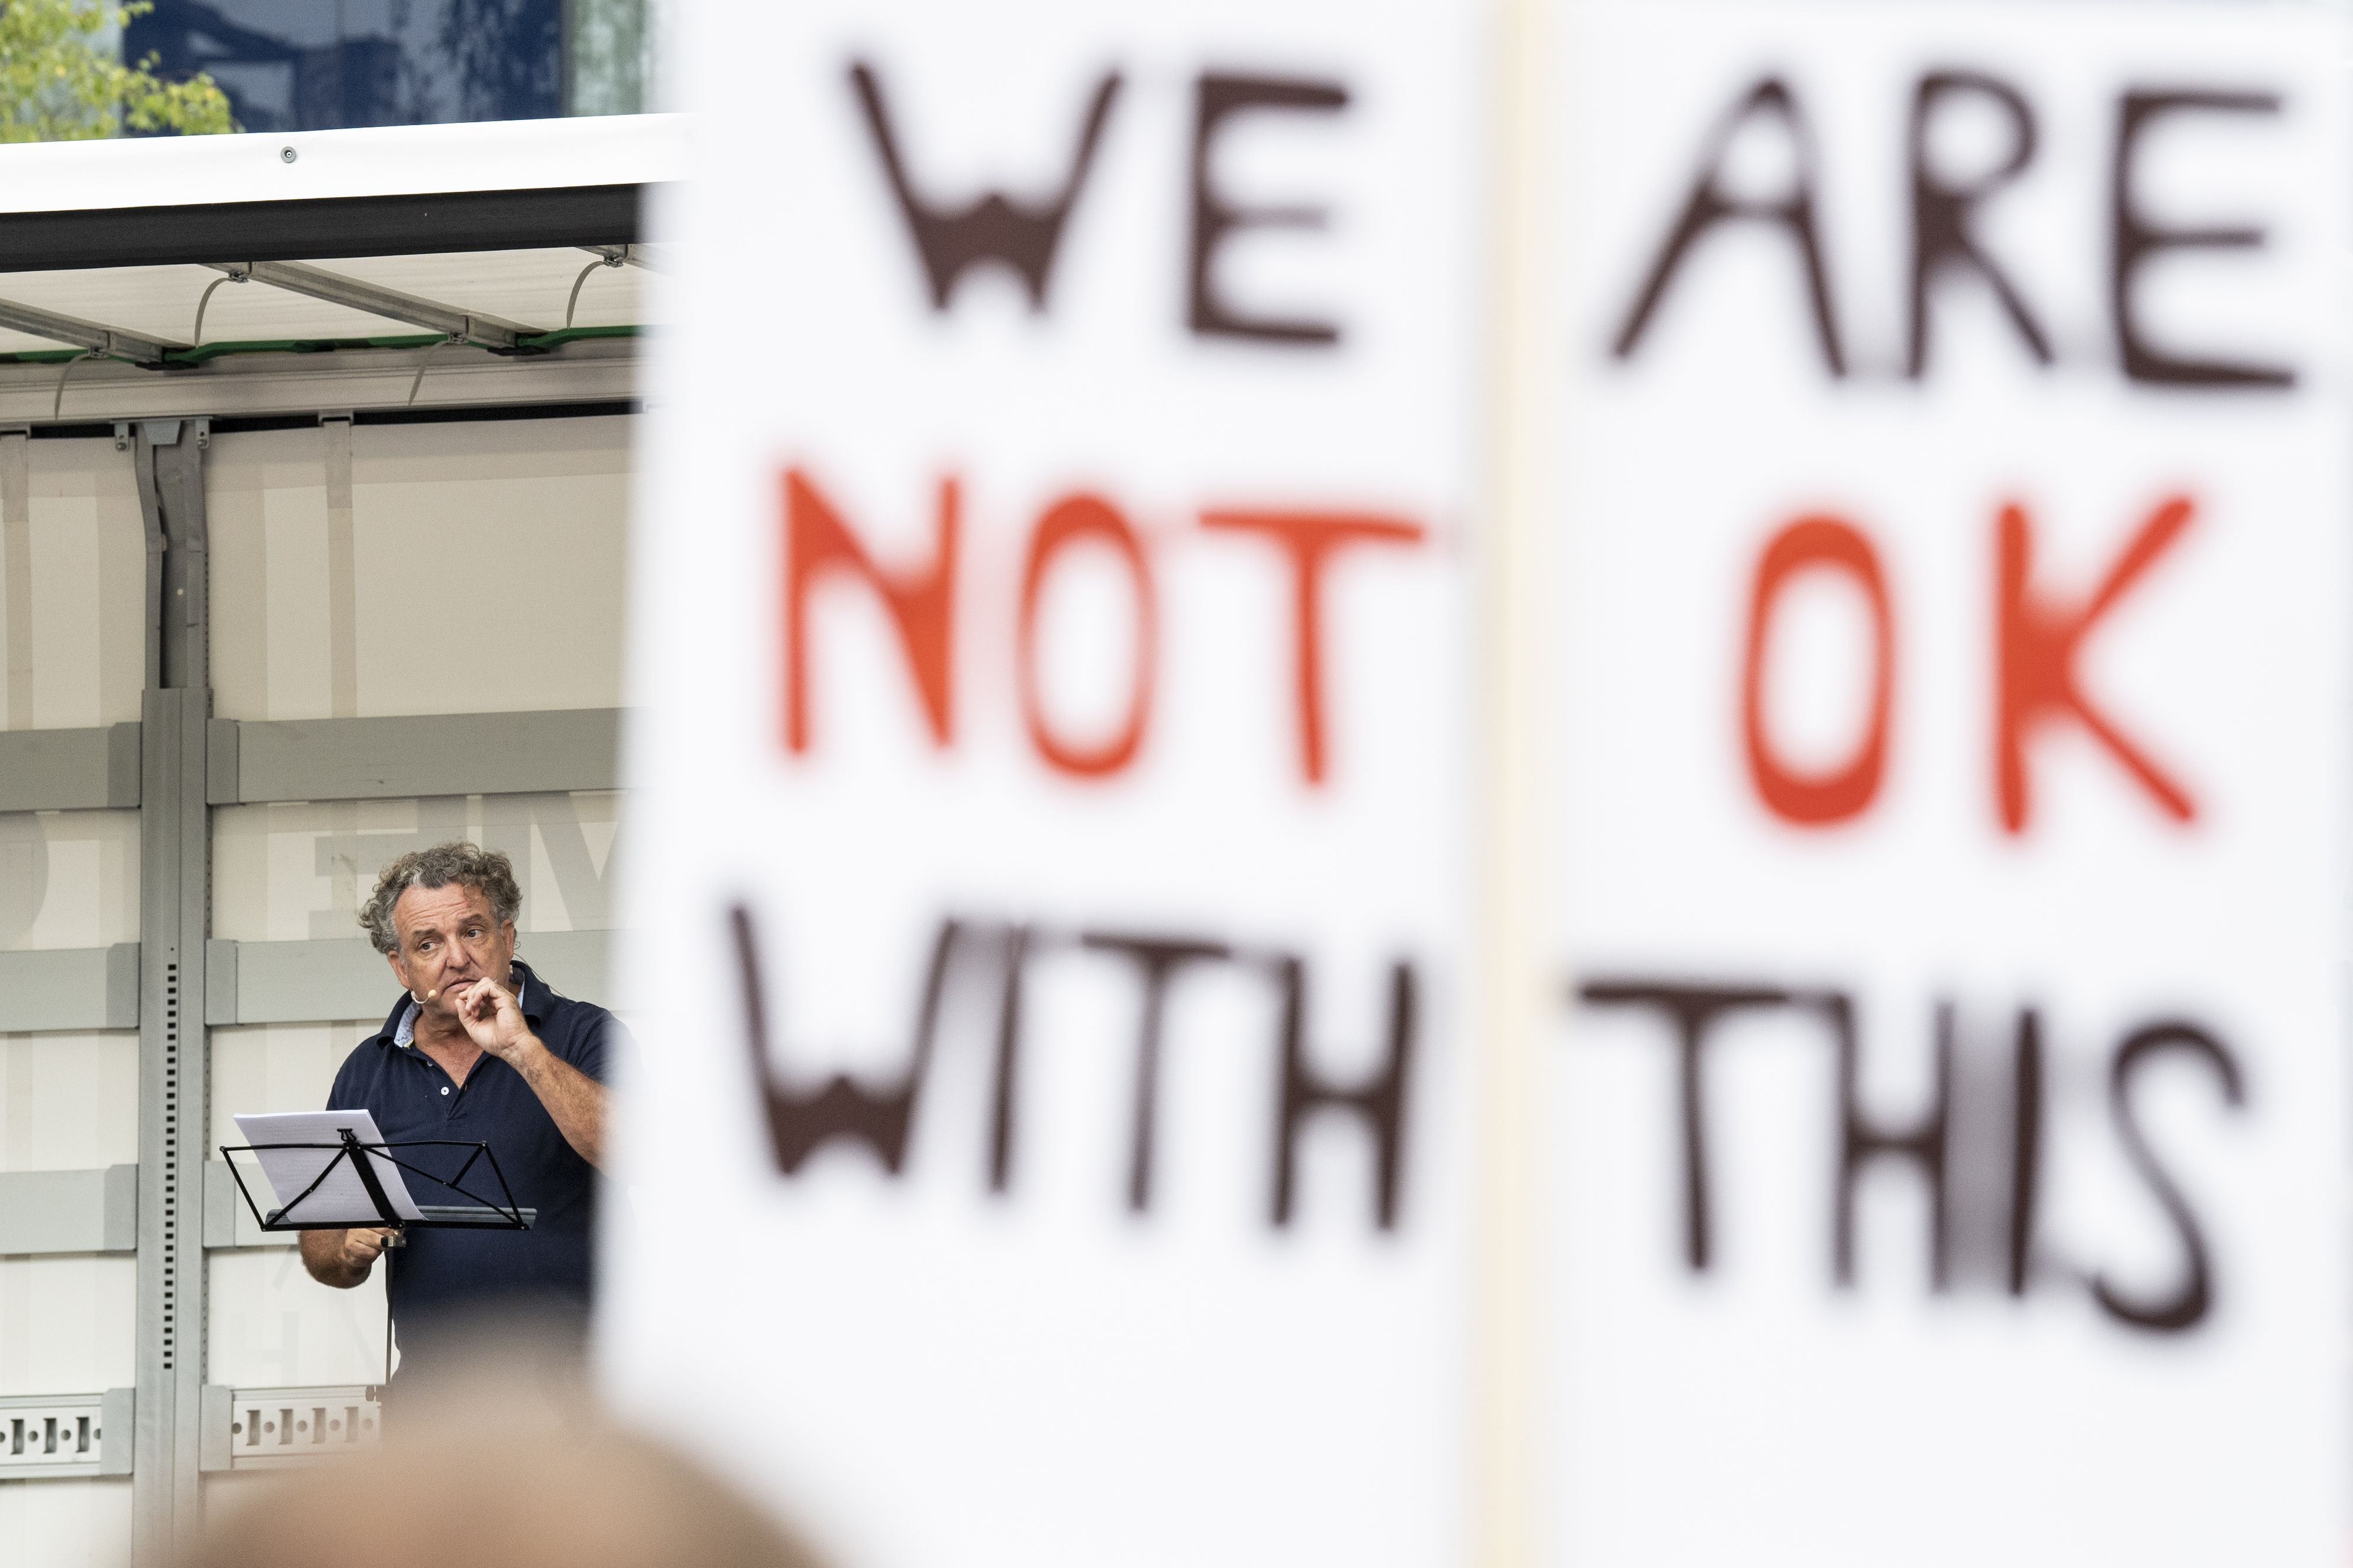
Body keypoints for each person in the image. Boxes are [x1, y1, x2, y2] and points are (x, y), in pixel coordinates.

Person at [298, 840, 624, 1379]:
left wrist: (525, 1053)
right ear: (401, 968)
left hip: (579, 1388)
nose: (456, 957)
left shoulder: (586, 1033)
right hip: (434, 1396)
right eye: (428, 944)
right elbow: (321, 1248)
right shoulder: (367, 1070)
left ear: (508, 936)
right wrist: (344, 1249)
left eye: (472, 931)